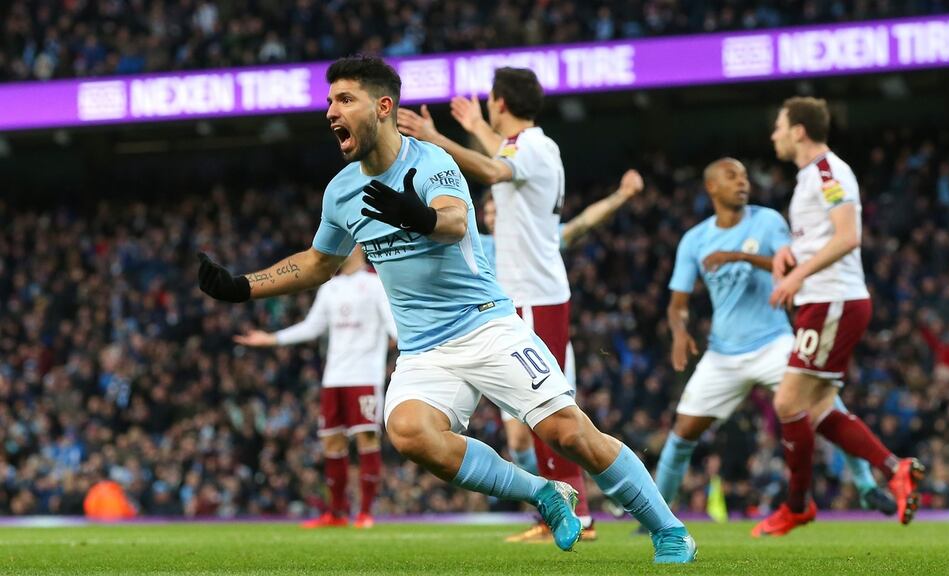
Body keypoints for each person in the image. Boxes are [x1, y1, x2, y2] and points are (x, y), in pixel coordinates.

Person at [196, 56, 696, 563]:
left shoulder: (432, 162)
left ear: (384, 106)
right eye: (329, 101)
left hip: (486, 326)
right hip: (423, 351)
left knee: (568, 432)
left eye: (345, 99)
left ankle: (669, 530)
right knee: (410, 433)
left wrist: (416, 215)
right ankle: (545, 493)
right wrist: (242, 287)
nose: (331, 111)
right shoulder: (342, 190)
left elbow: (455, 222)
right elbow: (316, 263)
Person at [397, 68, 594, 542]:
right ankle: (569, 509)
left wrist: (435, 138)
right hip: (538, 291)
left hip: (530, 292)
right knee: (541, 408)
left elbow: (493, 168)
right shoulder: (535, 146)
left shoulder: (526, 149)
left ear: (501, 103)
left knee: (543, 407)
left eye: (489, 103)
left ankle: (575, 510)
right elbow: (499, 153)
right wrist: (477, 128)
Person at [653, 158, 896, 523]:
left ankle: (865, 486)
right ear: (711, 187)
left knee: (824, 406)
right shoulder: (694, 240)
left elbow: (791, 265)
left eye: (745, 176)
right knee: (682, 432)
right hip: (722, 353)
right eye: (731, 176)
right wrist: (680, 331)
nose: (742, 182)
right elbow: (678, 304)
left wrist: (738, 255)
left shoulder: (767, 221)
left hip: (773, 342)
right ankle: (656, 515)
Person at [753, 97, 925, 537]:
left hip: (833, 300)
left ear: (798, 131)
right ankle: (894, 467)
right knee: (819, 407)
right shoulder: (810, 178)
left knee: (788, 402)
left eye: (778, 126)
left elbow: (849, 236)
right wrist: (792, 252)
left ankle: (796, 504)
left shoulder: (829, 172)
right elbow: (823, 236)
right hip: (824, 300)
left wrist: (797, 278)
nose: (773, 134)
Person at [479, 170, 644, 539]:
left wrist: (620, 196)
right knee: (520, 441)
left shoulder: (534, 241)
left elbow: (582, 223)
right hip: (502, 349)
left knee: (558, 428)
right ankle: (551, 507)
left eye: (497, 211)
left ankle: (581, 513)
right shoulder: (476, 246)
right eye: (488, 212)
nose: (492, 217)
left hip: (539, 343)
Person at [234, 245, 396, 529]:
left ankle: (365, 512)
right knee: (332, 443)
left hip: (364, 377)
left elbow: (395, 328)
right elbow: (311, 327)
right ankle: (336, 513)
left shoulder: (376, 284)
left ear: (360, 248)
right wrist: (271, 339)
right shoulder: (329, 288)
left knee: (366, 440)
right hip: (333, 378)